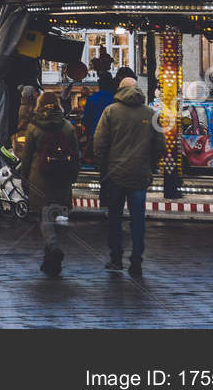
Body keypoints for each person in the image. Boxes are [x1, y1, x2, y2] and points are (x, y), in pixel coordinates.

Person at [91, 71, 160, 276]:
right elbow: (160, 145)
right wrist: (151, 164)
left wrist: (103, 166)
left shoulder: (110, 112)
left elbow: (99, 143)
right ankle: (136, 260)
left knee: (114, 218)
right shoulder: (150, 113)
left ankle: (116, 258)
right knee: (138, 219)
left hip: (115, 175)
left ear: (119, 90)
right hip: (139, 175)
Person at [17, 91, 81, 277]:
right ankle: (50, 261)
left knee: (45, 216)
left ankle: (53, 249)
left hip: (40, 177)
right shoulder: (67, 127)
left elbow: (27, 157)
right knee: (55, 214)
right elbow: (75, 154)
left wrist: (25, 179)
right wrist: (73, 175)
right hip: (61, 176)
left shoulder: (33, 127)